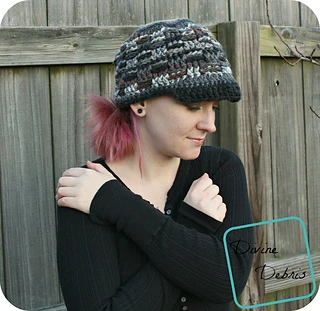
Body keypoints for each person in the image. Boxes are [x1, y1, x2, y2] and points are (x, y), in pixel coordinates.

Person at [56, 18, 254, 311]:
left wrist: (119, 205)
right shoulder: (84, 191)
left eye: (215, 107)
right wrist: (192, 228)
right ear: (140, 103)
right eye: (193, 106)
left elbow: (228, 282)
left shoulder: (221, 170)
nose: (210, 124)